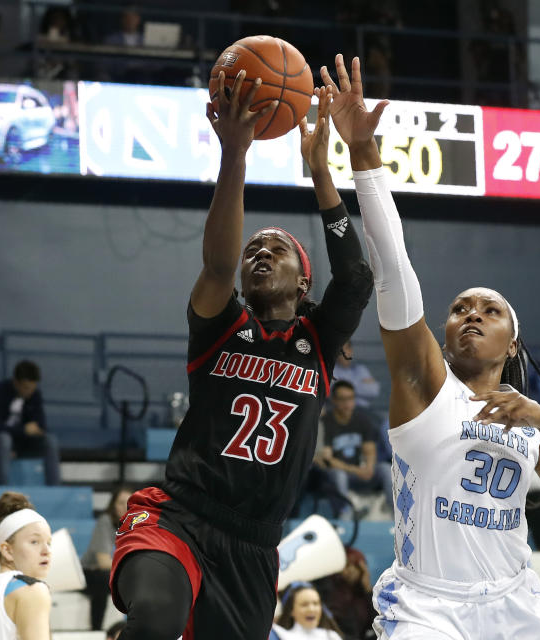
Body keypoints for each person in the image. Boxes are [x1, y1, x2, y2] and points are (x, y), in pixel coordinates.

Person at [320, 53, 540, 639]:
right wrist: (364, 156)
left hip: (513, 604)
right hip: (428, 605)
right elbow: (394, 268)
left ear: (513, 341)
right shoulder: (424, 384)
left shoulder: (530, 422)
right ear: (445, 334)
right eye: (459, 309)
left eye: (489, 310)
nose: (470, 314)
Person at [108, 76, 372, 640]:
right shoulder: (220, 325)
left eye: (276, 250)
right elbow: (218, 264)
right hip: (176, 515)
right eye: (254, 247)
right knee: (156, 618)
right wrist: (235, 154)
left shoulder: (317, 342)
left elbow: (356, 276)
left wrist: (322, 174)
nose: (259, 253)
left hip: (253, 542)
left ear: (304, 284)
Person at [310, 380, 391, 517]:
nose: (347, 403)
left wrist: (369, 468)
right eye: (343, 399)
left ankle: (397, 514)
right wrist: (356, 470)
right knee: (338, 474)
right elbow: (328, 460)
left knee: (384, 468)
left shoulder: (362, 420)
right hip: (335, 475)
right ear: (334, 401)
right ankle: (345, 515)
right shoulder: (325, 423)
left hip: (357, 472)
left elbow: (370, 449)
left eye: (350, 398)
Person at [0, 491, 52, 640]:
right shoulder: (32, 590)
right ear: (7, 550)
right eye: (34, 542)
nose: (46, 551)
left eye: (49, 542)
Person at [0, 360, 61, 486]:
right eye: (26, 388)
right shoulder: (1, 391)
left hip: (24, 444)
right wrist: (23, 430)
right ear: (16, 382)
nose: (30, 392)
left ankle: (55, 487)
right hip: (3, 444)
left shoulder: (35, 396)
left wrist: (36, 429)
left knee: (50, 441)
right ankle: (2, 488)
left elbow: (41, 425)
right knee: (4, 440)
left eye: (33, 388)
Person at [81, 486, 133, 630]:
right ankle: (96, 629)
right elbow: (103, 562)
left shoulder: (135, 526)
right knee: (105, 579)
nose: (125, 506)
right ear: (113, 505)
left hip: (113, 571)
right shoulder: (105, 521)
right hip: (88, 572)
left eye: (129, 502)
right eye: (121, 502)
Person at [315, 548, 376, 640]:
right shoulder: (331, 592)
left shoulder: (364, 594)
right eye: (347, 565)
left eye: (356, 566)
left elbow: (377, 623)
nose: (351, 570)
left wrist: (368, 590)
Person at [270, 582, 343, 640]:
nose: (311, 609)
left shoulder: (332, 636)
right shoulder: (279, 635)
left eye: (316, 603)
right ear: (291, 611)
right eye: (304, 605)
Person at [333, 340, 381, 408]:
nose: (343, 353)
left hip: (362, 410)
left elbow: (374, 390)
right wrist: (361, 383)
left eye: (346, 349)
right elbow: (333, 391)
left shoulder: (360, 369)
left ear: (351, 350)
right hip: (339, 410)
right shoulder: (332, 370)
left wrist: (343, 384)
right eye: (340, 350)